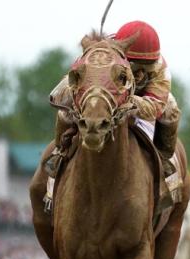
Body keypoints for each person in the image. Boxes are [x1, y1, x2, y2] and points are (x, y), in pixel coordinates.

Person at [48, 20, 181, 176]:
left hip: (141, 96)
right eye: (132, 65)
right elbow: (73, 84)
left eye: (144, 67)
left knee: (171, 109)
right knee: (64, 103)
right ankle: (61, 151)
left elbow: (154, 108)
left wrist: (127, 101)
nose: (137, 72)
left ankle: (162, 158)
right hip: (106, 89)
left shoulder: (161, 70)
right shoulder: (99, 52)